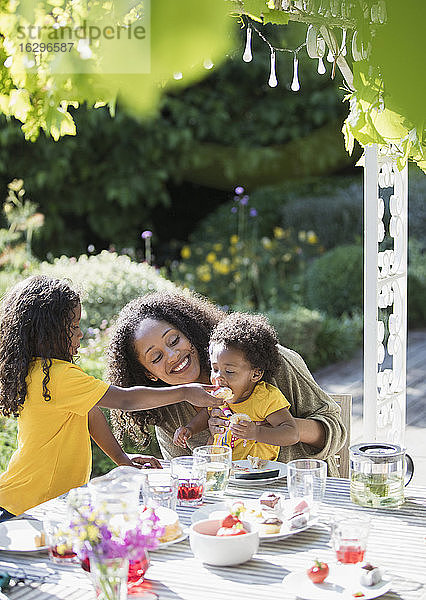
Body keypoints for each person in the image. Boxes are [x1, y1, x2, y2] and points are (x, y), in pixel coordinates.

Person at [0, 276, 221, 521]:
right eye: (73, 327)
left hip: (31, 498)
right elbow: (126, 400)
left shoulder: (43, 373)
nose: (81, 334)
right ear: (46, 332)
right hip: (30, 504)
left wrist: (122, 459)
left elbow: (91, 414)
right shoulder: (56, 376)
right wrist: (185, 391)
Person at [107, 291, 346, 476]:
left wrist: (266, 427)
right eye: (156, 357)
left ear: (189, 333)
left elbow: (336, 431)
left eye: (174, 340)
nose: (172, 355)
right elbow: (188, 477)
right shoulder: (169, 413)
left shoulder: (266, 362)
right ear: (150, 374)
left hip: (301, 495)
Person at [173, 312, 299, 460]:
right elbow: (207, 413)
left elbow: (291, 433)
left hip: (256, 473)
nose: (218, 376)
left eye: (229, 371)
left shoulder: (265, 398)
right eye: (215, 369)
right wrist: (190, 429)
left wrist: (256, 432)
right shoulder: (220, 398)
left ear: (255, 374)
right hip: (225, 469)